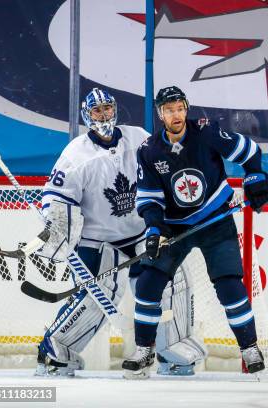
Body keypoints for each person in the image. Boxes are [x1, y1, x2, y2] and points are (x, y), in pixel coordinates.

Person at [36, 88, 205, 377]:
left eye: (107, 109)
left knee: (170, 282)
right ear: (86, 116)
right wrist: (57, 225)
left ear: (115, 110)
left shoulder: (137, 137)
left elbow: (163, 166)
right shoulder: (75, 154)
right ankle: (56, 351)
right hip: (97, 241)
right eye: (96, 111)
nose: (104, 115)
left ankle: (174, 350)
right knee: (97, 296)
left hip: (141, 233)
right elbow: (56, 196)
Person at [122, 86, 268, 378]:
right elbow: (150, 198)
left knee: (230, 285)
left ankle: (249, 347)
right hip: (174, 227)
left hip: (215, 220)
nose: (176, 114)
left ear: (186, 109)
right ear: (160, 114)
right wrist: (154, 228)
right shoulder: (149, 151)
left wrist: (254, 176)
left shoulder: (207, 133)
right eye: (169, 110)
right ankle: (144, 350)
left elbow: (250, 152)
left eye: (180, 108)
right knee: (147, 285)